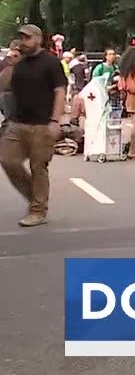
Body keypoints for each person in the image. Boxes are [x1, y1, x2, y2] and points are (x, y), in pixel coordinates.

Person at [0, 25, 67, 227]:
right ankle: (35, 198)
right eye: (21, 38)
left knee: (38, 167)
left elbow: (60, 91)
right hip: (17, 122)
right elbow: (3, 87)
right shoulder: (18, 63)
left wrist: (55, 121)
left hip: (42, 124)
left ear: (38, 39)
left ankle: (38, 210)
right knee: (7, 160)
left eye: (27, 38)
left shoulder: (51, 63)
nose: (23, 41)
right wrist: (9, 65)